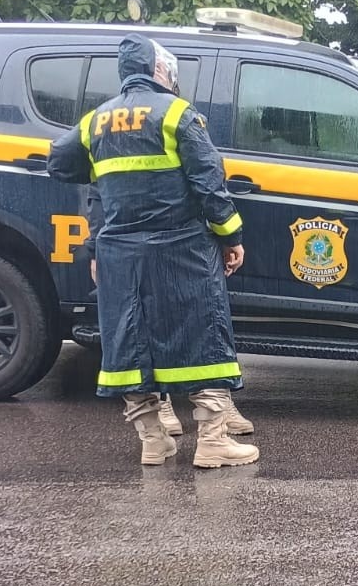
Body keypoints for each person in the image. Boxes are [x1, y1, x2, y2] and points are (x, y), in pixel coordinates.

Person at [50, 34, 258, 468]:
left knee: (131, 342)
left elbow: (62, 165)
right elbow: (208, 183)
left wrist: (96, 245)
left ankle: (153, 440)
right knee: (203, 337)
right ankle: (213, 441)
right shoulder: (177, 115)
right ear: (160, 69)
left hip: (120, 255)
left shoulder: (95, 122)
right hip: (181, 251)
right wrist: (231, 235)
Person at [81, 186, 254, 443]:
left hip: (184, 235)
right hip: (153, 239)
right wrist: (96, 247)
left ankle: (216, 405)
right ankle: (164, 406)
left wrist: (227, 235)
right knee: (153, 324)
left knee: (202, 328)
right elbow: (96, 193)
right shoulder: (107, 144)